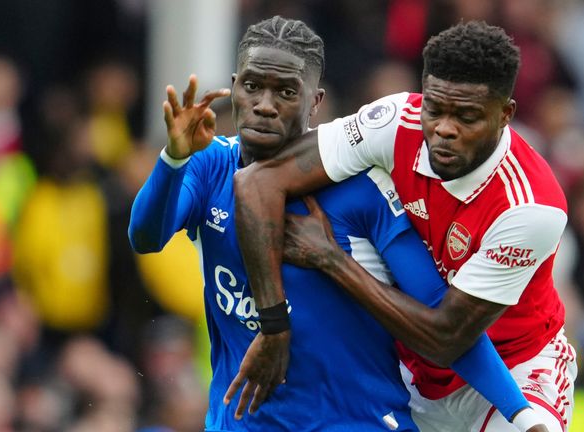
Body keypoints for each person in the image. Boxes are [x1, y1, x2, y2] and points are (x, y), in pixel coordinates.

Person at [129, 16, 540, 432]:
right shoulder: (209, 165)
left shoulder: (362, 188)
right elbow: (146, 237)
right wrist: (173, 159)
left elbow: (443, 320)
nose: (265, 104)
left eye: (286, 92)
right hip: (244, 422)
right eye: (252, 86)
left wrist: (521, 415)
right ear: (235, 86)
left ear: (316, 101)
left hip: (355, 421)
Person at [230, 20, 578, 432]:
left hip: (515, 367)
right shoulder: (396, 121)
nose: (443, 129)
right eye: (435, 108)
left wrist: (332, 260)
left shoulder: (531, 205)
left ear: (505, 114)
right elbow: (258, 181)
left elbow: (448, 338)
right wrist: (274, 326)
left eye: (466, 116)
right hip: (411, 373)